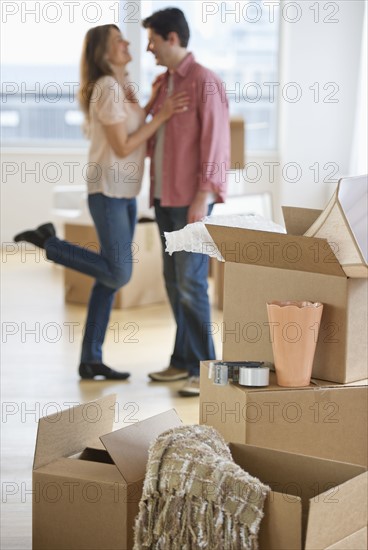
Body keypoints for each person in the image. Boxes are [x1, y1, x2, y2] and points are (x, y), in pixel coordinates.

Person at [14, 24, 188, 381]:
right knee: (120, 272)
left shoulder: (122, 87)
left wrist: (157, 105)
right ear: (104, 53)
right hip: (106, 190)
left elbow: (137, 135)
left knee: (108, 279)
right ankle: (50, 243)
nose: (127, 44)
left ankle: (90, 359)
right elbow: (124, 146)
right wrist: (164, 115)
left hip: (124, 193)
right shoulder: (108, 88)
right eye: (118, 41)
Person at [142, 8, 230, 396]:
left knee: (191, 283)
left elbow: (216, 142)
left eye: (153, 40)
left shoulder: (204, 81)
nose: (149, 49)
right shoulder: (164, 83)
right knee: (173, 280)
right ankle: (182, 362)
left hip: (190, 199)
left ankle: (206, 370)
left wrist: (204, 194)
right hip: (164, 195)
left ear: (172, 38)